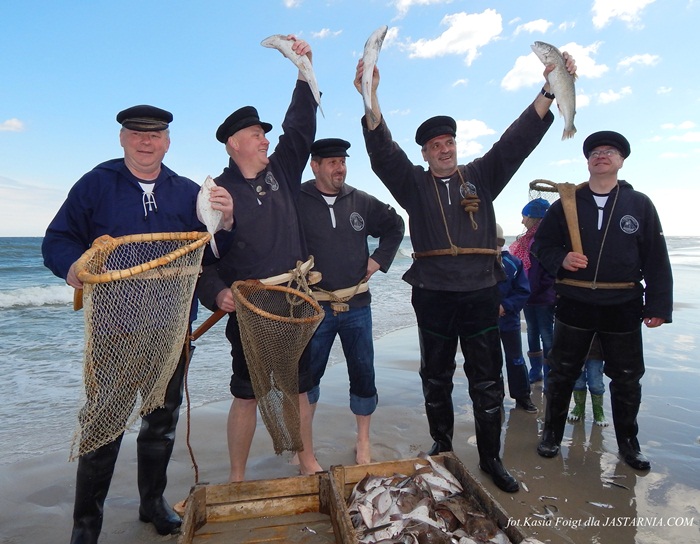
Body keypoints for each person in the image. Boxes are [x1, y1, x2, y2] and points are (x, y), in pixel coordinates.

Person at [353, 50, 577, 493]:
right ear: (425, 153)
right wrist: (370, 95)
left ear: (456, 145)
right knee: (434, 376)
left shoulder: (482, 175)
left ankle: (491, 458)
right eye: (435, 145)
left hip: (480, 293)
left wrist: (550, 89)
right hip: (432, 294)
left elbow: (516, 141)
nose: (444, 149)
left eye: (449, 142)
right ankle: (442, 448)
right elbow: (382, 152)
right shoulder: (412, 185)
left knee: (487, 379)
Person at [42, 105, 233, 543]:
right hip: (114, 329)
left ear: (167, 142)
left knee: (162, 421)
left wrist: (227, 218)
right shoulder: (96, 184)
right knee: (102, 426)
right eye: (136, 133)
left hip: (172, 329)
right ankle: (85, 527)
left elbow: (213, 249)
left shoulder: (188, 191)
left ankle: (152, 504)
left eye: (155, 135)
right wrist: (72, 267)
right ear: (122, 138)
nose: (146, 141)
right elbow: (57, 239)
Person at [195, 36, 324, 482]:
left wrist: (304, 70)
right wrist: (217, 293)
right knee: (247, 394)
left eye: (265, 134)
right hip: (250, 309)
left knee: (301, 388)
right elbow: (204, 261)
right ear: (234, 144)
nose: (266, 140)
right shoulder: (215, 194)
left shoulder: (282, 171)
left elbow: (300, 126)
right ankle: (236, 476)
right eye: (256, 135)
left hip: (295, 299)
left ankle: (307, 461)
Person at [532, 130, 673, 471]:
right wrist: (562, 259)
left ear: (621, 161)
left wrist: (658, 305)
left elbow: (656, 256)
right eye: (595, 152)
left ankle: (629, 444)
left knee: (626, 377)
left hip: (623, 302)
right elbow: (542, 246)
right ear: (588, 162)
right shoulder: (565, 204)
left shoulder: (639, 204)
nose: (601, 155)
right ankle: (551, 434)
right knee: (562, 372)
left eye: (610, 151)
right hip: (574, 300)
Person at [298, 137, 405, 465]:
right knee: (307, 378)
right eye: (332, 162)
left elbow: (396, 225)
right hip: (313, 307)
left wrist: (379, 259)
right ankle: (304, 448)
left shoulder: (361, 201)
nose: (339, 168)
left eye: (343, 162)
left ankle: (363, 441)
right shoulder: (296, 199)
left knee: (363, 373)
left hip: (357, 306)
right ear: (315, 166)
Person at [509, 198, 556, 385]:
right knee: (532, 333)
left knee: (547, 334)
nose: (522, 221)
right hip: (529, 297)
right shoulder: (526, 240)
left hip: (544, 297)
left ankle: (550, 374)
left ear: (534, 217)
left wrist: (536, 288)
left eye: (525, 216)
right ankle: (535, 371)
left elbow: (550, 270)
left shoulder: (545, 240)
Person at [495, 223, 537, 413]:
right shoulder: (477, 264)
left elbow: (523, 291)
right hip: (486, 323)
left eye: (497, 243)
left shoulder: (513, 263)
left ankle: (522, 396)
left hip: (509, 321)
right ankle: (495, 396)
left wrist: (505, 306)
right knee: (491, 361)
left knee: (516, 359)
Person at [568, 334, 608, 426]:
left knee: (596, 384)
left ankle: (598, 412)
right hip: (575, 351)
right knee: (578, 382)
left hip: (596, 352)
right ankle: (579, 407)